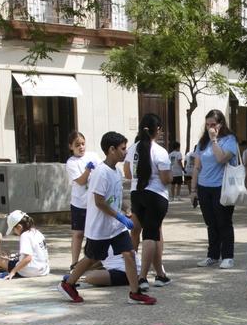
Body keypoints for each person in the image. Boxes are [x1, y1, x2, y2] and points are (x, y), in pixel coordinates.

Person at [61, 133, 157, 305]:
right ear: (111, 150)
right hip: (100, 227)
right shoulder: (101, 172)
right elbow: (99, 201)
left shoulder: (116, 172)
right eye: (122, 149)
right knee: (91, 257)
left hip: (116, 227)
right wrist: (119, 216)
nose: (125, 152)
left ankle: (135, 293)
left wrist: (125, 209)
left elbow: (115, 199)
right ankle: (68, 284)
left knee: (129, 254)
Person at [192, 110, 241, 269]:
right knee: (210, 223)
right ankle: (212, 255)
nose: (210, 128)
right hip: (204, 187)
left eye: (213, 124)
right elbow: (197, 166)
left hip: (222, 186)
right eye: (207, 125)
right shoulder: (202, 142)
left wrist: (214, 140)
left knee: (224, 222)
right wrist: (193, 190)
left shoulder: (229, 140)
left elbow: (221, 158)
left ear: (221, 124)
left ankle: (228, 256)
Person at [130, 114, 174, 287]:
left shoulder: (133, 148)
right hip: (155, 195)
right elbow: (165, 178)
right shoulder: (160, 151)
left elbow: (127, 173)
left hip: (136, 193)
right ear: (158, 130)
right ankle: (142, 277)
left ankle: (160, 274)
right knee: (150, 234)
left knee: (151, 234)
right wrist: (170, 176)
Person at [65, 131, 98, 268]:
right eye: (77, 145)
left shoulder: (93, 155)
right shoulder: (71, 163)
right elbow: (81, 181)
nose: (81, 147)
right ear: (71, 147)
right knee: (78, 233)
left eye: (83, 144)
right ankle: (74, 262)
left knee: (94, 233)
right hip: (80, 203)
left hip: (95, 202)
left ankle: (92, 260)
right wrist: (88, 170)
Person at [0, 213, 52, 280]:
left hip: (28, 271)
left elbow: (28, 258)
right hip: (43, 270)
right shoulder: (38, 233)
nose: (14, 232)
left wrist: (13, 272)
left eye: (13, 229)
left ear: (19, 227)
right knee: (11, 259)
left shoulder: (24, 236)